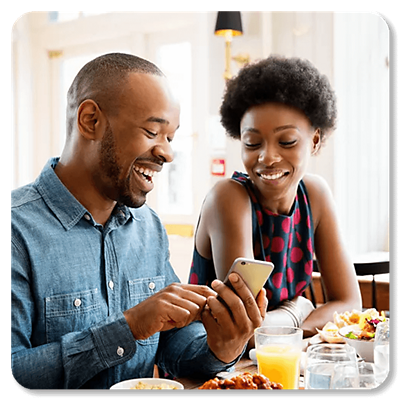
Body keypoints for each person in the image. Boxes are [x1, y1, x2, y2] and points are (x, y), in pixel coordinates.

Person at [11, 53, 266, 390]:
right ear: (90, 120)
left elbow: (175, 343)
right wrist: (128, 328)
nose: (167, 153)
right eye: (152, 131)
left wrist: (221, 347)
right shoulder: (14, 230)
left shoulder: (148, 227)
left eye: (170, 138)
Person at [189, 55, 362, 338]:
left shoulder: (315, 195)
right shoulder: (229, 198)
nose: (267, 157)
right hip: (209, 368)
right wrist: (300, 309)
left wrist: (286, 324)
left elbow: (349, 304)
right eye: (252, 143)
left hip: (278, 356)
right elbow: (242, 326)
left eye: (287, 142)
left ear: (314, 141)